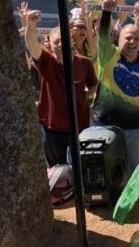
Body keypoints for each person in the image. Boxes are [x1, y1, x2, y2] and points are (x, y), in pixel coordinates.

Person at [24, 9, 98, 167]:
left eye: (64, 40)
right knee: (58, 171)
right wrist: (31, 25)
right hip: (54, 128)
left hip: (80, 126)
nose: (61, 45)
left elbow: (93, 85)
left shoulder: (84, 63)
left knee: (81, 168)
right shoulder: (47, 62)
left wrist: (87, 94)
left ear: (71, 42)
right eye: (56, 42)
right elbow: (32, 45)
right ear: (49, 44)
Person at [96, 0, 139, 172]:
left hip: (133, 125)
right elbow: (102, 37)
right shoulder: (109, 55)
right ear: (118, 40)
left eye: (136, 38)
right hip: (105, 122)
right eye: (128, 38)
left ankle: (133, 199)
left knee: (133, 166)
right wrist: (106, 13)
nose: (133, 41)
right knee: (104, 167)